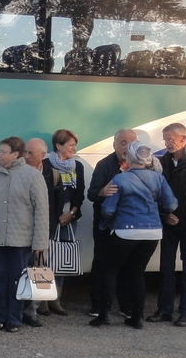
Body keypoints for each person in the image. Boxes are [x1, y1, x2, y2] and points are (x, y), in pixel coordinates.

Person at [92, 142, 178, 329]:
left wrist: (107, 224)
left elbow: (108, 209)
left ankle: (104, 313)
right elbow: (171, 204)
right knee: (137, 271)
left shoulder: (120, 179)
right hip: (153, 231)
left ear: (130, 158)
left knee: (110, 270)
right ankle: (137, 316)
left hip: (125, 230)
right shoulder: (158, 178)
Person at [0, 136, 49, 333]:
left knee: (17, 281)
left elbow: (41, 210)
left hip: (20, 240)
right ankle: (0, 317)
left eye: (2, 152)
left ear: (15, 154)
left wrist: (40, 242)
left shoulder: (32, 176)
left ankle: (14, 319)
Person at [148, 122, 186, 327]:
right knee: (166, 268)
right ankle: (164, 309)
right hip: (168, 223)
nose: (167, 143)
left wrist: (177, 214)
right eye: (165, 139)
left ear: (183, 139)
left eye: (170, 139)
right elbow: (156, 190)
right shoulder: (163, 161)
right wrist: (166, 215)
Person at [87, 128, 140, 319]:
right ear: (115, 145)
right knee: (101, 262)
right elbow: (92, 194)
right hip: (104, 223)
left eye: (131, 143)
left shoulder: (142, 165)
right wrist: (102, 192)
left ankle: (125, 306)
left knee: (127, 264)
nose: (126, 147)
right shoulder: (104, 164)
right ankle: (98, 305)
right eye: (123, 143)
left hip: (129, 224)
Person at [38, 129, 86, 317]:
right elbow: (44, 194)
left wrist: (71, 213)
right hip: (50, 219)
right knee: (45, 260)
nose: (73, 148)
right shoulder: (46, 165)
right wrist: (57, 215)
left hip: (69, 219)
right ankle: (42, 299)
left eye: (74, 145)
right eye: (70, 145)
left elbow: (80, 192)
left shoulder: (78, 166)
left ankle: (56, 299)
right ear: (58, 145)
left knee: (61, 258)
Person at [20, 137, 51, 327]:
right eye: (25, 151)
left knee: (39, 272)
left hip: (42, 230)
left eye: (31, 153)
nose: (26, 156)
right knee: (20, 272)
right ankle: (17, 309)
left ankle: (32, 312)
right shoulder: (19, 172)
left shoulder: (52, 174)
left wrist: (46, 232)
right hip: (21, 231)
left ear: (42, 155)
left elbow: (54, 204)